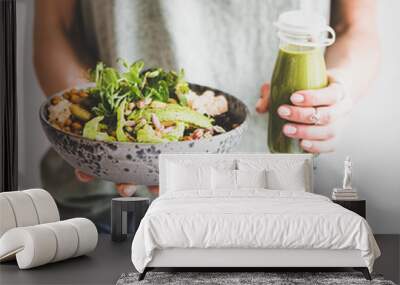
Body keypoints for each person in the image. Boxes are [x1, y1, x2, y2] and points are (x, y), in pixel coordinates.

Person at [33, 0, 380, 229]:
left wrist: (336, 93)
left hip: (273, 197)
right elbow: (55, 28)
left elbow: (356, 27)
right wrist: (80, 126)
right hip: (110, 207)